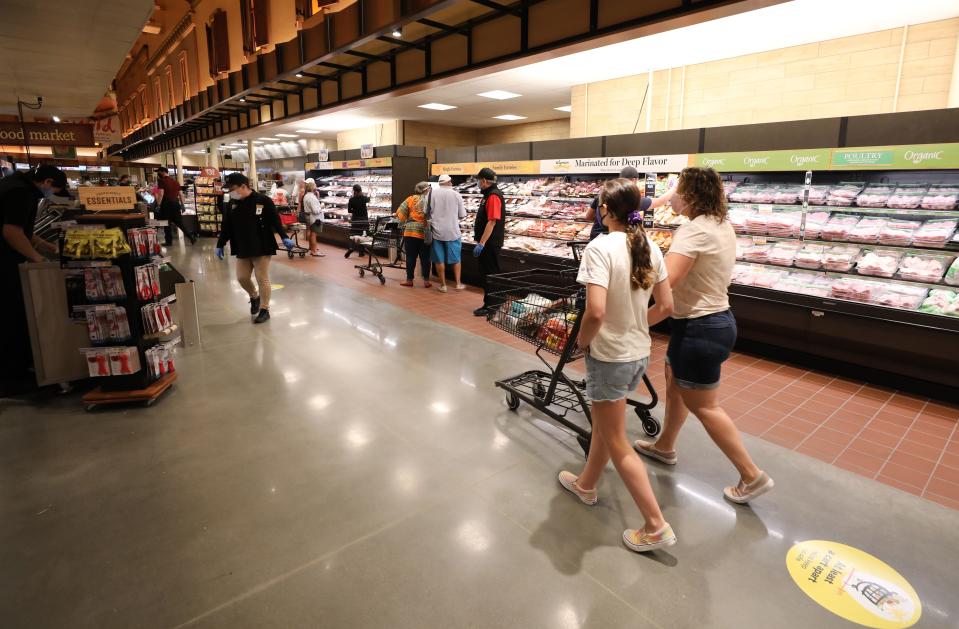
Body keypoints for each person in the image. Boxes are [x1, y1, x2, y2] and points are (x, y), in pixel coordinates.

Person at [634, 167, 774, 504]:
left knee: (705, 406)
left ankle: (751, 475)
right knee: (674, 384)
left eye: (678, 190)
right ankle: (665, 446)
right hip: (713, 320)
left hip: (700, 327)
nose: (673, 196)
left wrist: (635, 302)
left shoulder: (693, 231)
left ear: (692, 194)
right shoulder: (721, 224)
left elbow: (669, 281)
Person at [558, 178, 677, 553]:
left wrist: (581, 343)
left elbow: (594, 311)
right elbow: (667, 307)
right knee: (608, 426)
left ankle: (655, 525)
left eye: (598, 204)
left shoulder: (600, 247)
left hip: (609, 355)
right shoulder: (649, 247)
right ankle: (586, 484)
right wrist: (636, 325)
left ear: (607, 210)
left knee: (616, 439)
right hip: (639, 352)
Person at [0, 165, 66, 391]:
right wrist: (38, 260)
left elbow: (23, 229)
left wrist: (47, 247)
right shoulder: (21, 193)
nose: (51, 194)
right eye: (54, 190)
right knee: (13, 316)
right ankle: (13, 377)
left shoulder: (14, 185)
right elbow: (11, 232)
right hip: (4, 263)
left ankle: (21, 368)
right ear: (47, 182)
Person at [214, 173, 294, 324]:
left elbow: (275, 220)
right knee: (242, 277)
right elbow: (227, 226)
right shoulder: (232, 204)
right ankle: (254, 296)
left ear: (244, 186)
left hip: (262, 244)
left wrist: (284, 236)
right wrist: (220, 243)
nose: (231, 192)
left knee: (261, 278)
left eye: (232, 188)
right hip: (242, 245)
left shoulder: (263, 200)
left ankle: (265, 309)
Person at [583, 166, 675, 240]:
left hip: (595, 238)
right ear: (634, 180)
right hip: (615, 242)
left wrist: (601, 222)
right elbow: (660, 201)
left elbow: (588, 216)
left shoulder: (603, 194)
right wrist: (675, 187)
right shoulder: (631, 199)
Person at [471, 167, 505, 316]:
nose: (478, 183)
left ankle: (490, 306)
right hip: (488, 243)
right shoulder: (488, 195)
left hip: (490, 244)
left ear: (484, 181)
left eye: (478, 180)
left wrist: (482, 243)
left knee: (490, 275)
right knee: (489, 274)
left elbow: (491, 222)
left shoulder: (493, 196)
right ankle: (496, 301)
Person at [430, 174, 467, 293]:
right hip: (452, 231)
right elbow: (462, 215)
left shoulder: (432, 194)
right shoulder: (456, 194)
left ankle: (443, 285)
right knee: (456, 259)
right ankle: (457, 284)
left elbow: (427, 211)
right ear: (449, 182)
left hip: (436, 231)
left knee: (439, 259)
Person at [395, 182, 432, 288]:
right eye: (428, 189)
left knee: (411, 257)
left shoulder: (410, 199)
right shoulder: (429, 200)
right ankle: (426, 281)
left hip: (410, 231)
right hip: (424, 231)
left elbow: (400, 214)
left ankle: (409, 280)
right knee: (425, 257)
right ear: (425, 190)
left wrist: (404, 220)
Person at [154, 167, 196, 246]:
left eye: (158, 172)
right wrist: (182, 205)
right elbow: (181, 194)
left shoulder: (161, 181)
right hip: (176, 204)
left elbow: (161, 194)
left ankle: (169, 242)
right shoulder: (175, 181)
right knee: (179, 223)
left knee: (167, 224)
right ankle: (191, 237)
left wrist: (158, 205)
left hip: (166, 204)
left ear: (163, 172)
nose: (158, 173)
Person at [344, 184, 369, 259]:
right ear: (360, 190)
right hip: (364, 219)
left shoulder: (351, 199)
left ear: (354, 191)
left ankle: (351, 247)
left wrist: (354, 210)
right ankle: (361, 252)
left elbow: (349, 210)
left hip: (355, 219)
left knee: (353, 234)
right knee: (362, 235)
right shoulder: (364, 198)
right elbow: (369, 199)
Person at [301, 180, 325, 257]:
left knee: (312, 234)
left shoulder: (307, 196)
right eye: (314, 185)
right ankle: (314, 251)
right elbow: (315, 211)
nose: (316, 186)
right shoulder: (311, 197)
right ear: (312, 187)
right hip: (315, 219)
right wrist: (322, 206)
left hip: (310, 218)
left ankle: (312, 249)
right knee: (313, 235)